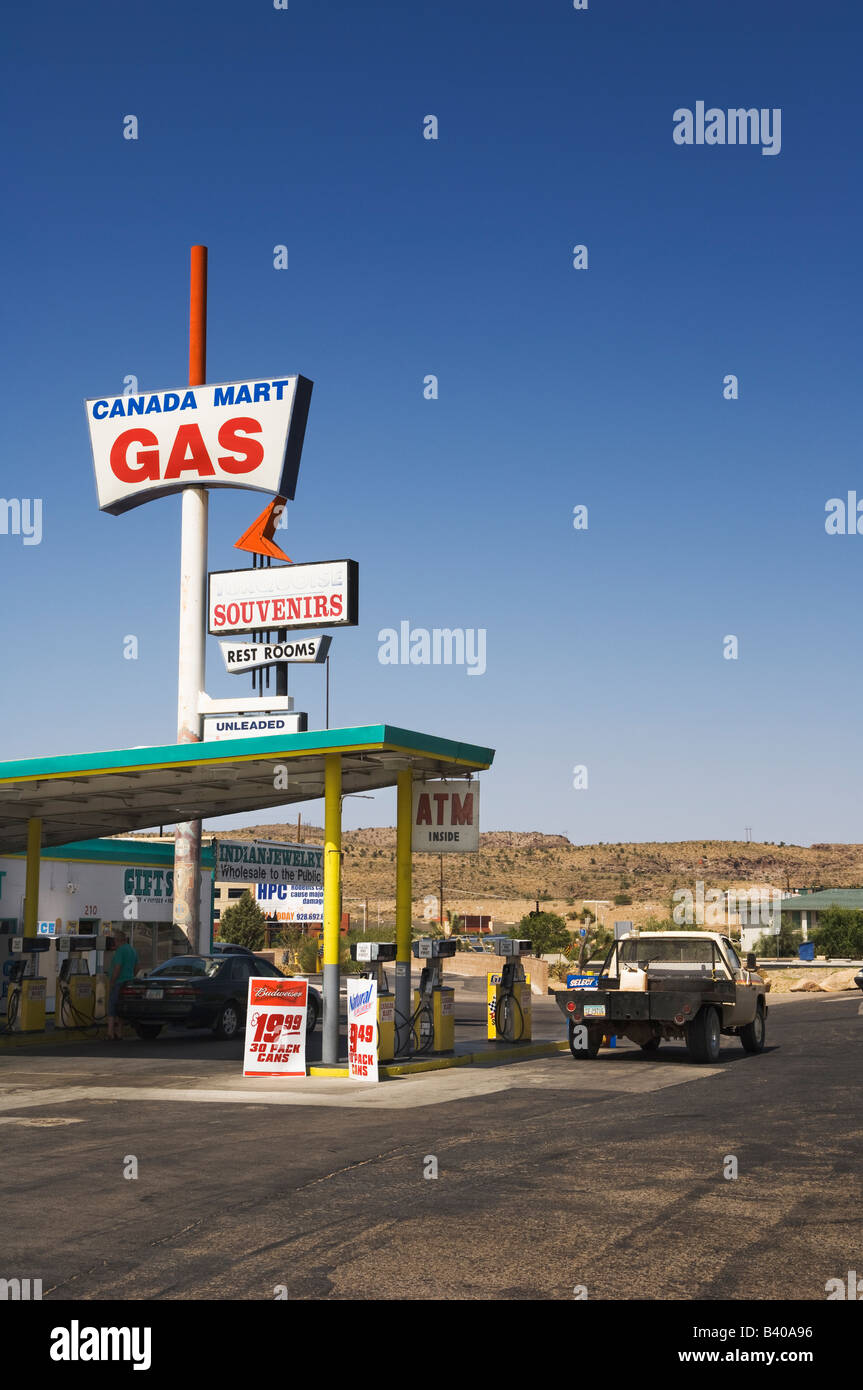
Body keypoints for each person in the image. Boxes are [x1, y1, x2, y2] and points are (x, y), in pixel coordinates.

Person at [106, 929, 138, 1040]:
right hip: (129, 983)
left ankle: (110, 1032)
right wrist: (130, 976)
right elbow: (138, 967)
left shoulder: (120, 951)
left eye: (114, 940)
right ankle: (119, 1032)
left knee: (112, 1006)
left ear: (117, 940)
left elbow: (117, 967)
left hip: (119, 982)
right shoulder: (132, 950)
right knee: (121, 1007)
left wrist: (112, 981)